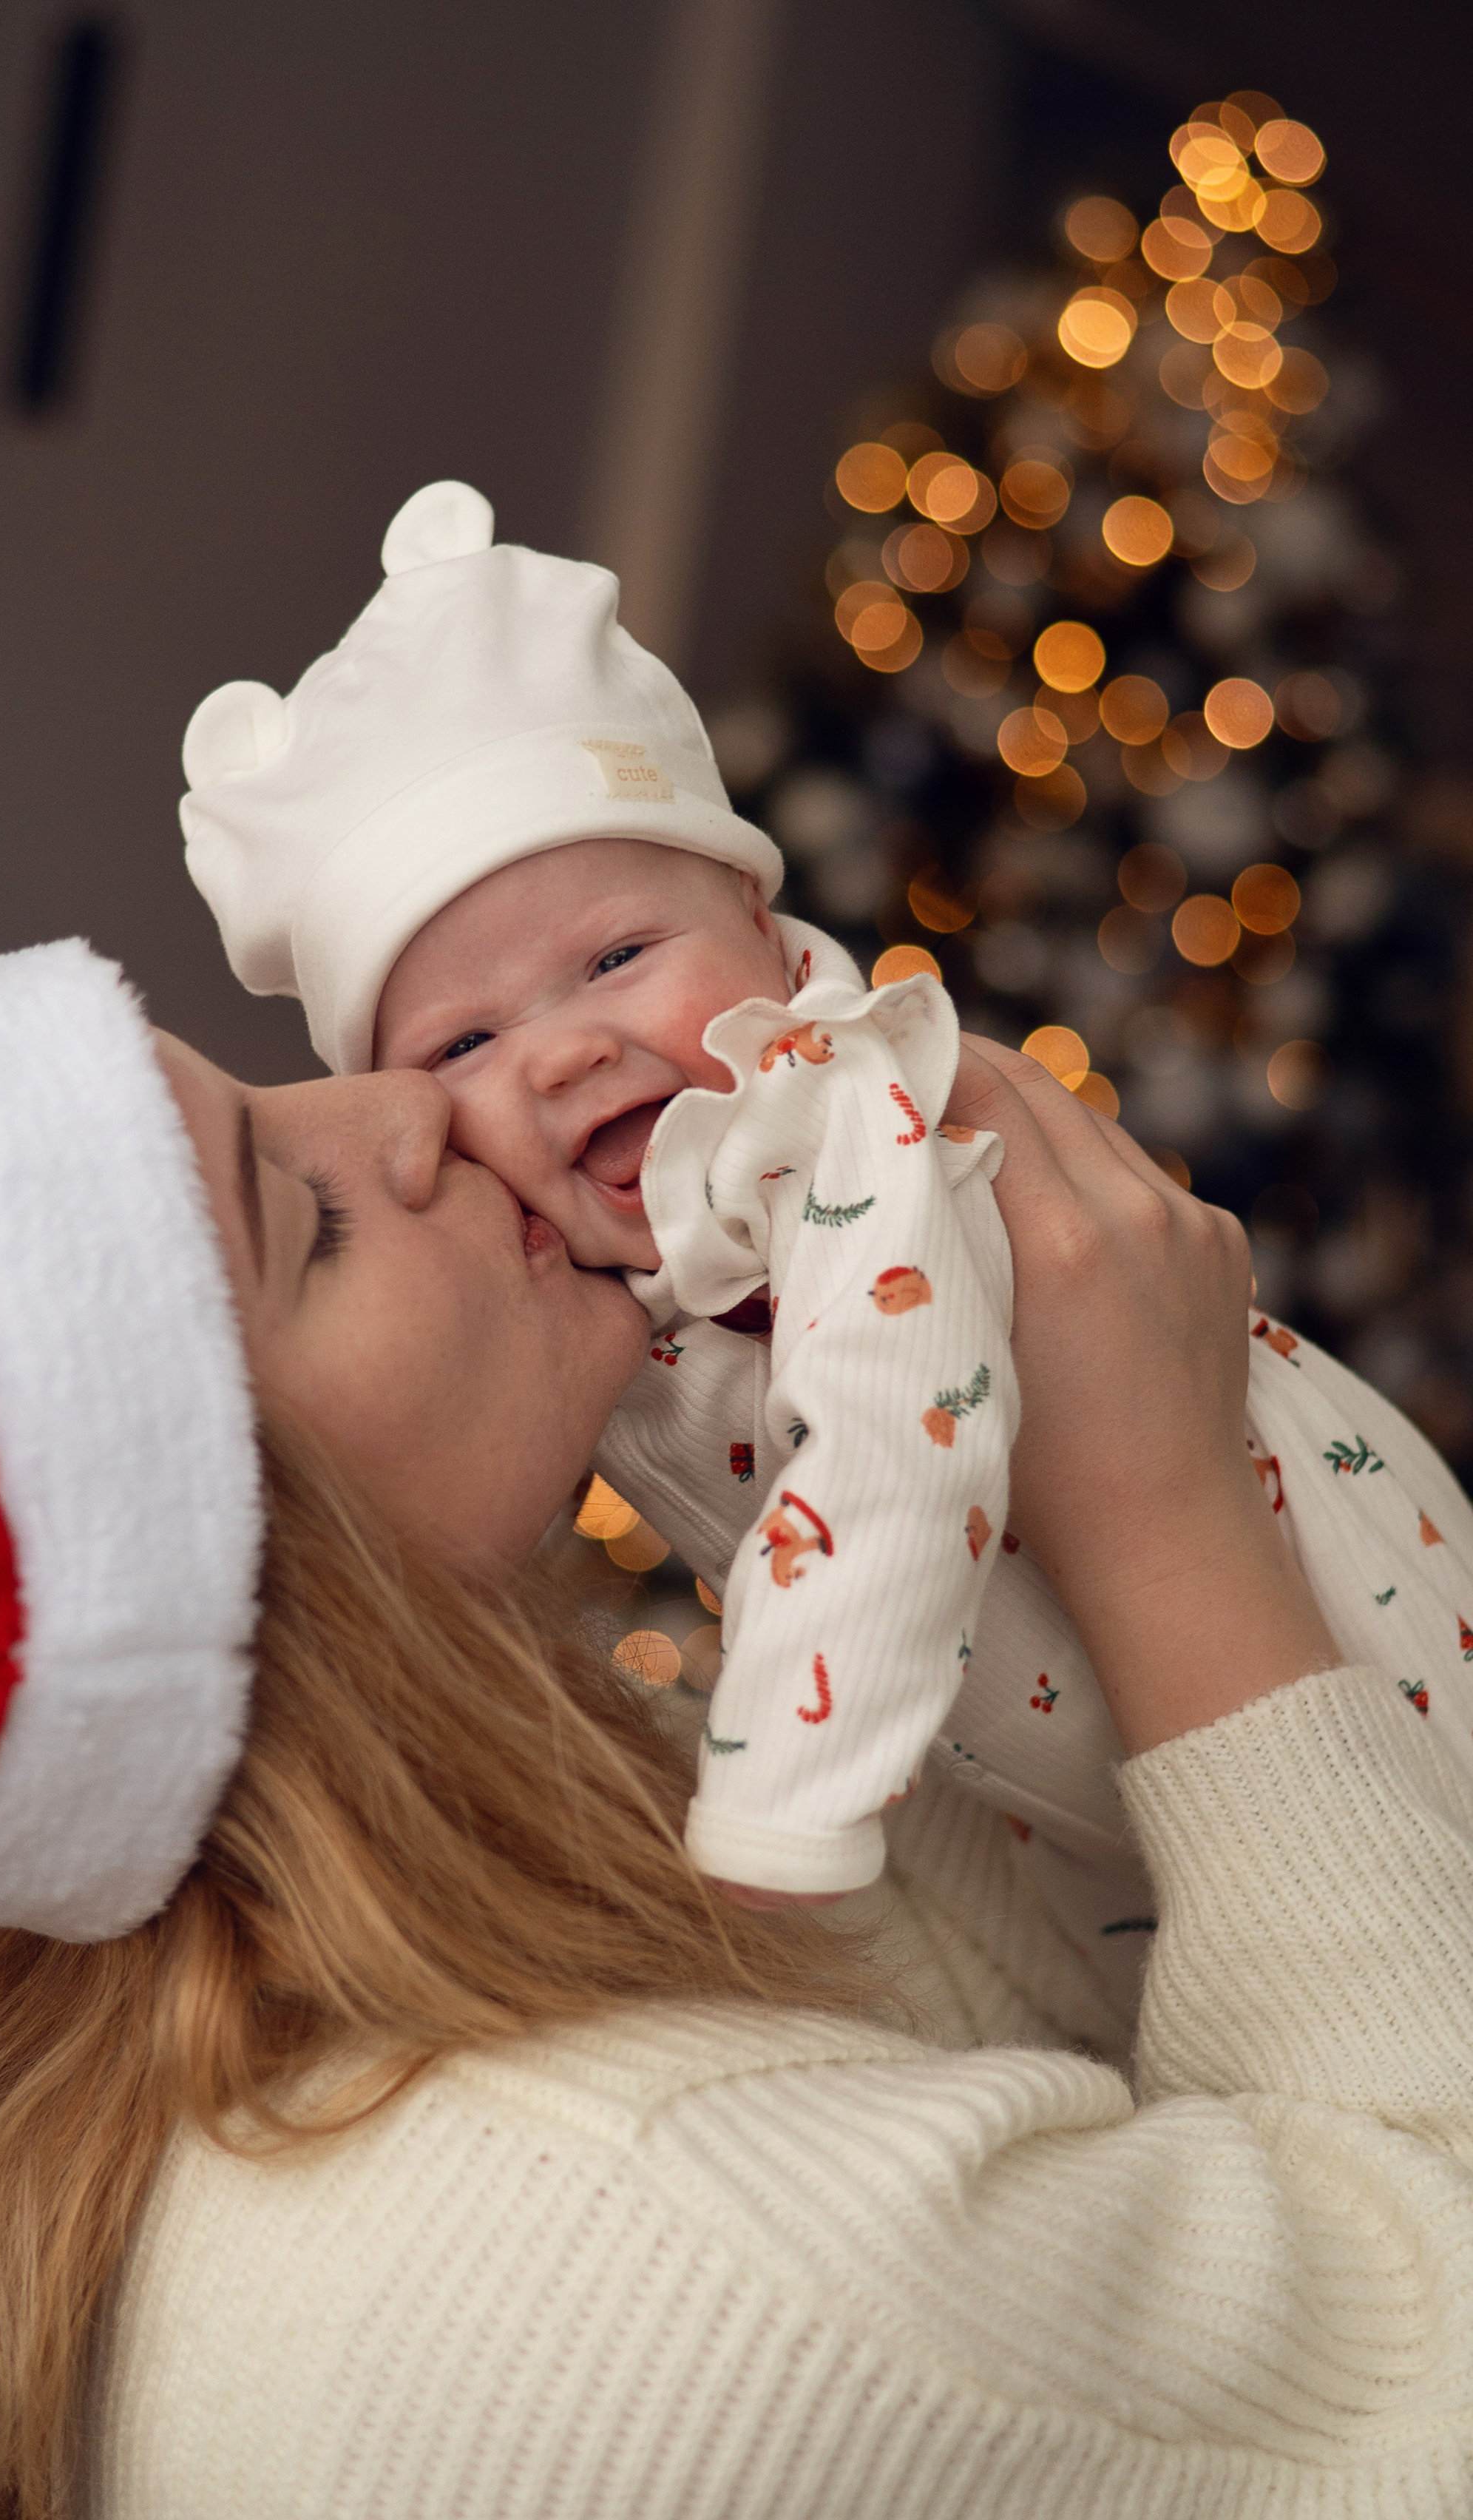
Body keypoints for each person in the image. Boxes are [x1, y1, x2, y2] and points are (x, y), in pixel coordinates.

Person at [0, 934, 1473, 2520]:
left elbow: (1006, 2070)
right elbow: (1423, 2398)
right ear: (207, 1576)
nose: (405, 1110)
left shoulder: (108, 2099)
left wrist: (844, 1479)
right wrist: (1161, 1519)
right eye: (302, 1220)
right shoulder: (673, 2271)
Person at [182, 479, 1473, 2020]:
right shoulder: (584, 1273)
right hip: (1092, 1776)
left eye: (613, 956)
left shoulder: (836, 1130)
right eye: (464, 1037)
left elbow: (892, 1445)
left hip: (1336, 1637)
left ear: (755, 918)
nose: (560, 1050)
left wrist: (779, 1812)